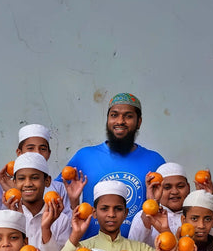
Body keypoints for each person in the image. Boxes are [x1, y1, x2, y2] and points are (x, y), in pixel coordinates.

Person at [55, 93, 165, 236]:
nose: (120, 121)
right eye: (114, 115)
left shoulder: (154, 160)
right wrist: (73, 201)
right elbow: (54, 192)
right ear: (107, 120)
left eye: (128, 116)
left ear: (139, 122)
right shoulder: (84, 156)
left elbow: (171, 205)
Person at [128, 162, 191, 248]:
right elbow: (134, 247)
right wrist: (152, 202)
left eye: (180, 186)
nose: (175, 192)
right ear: (156, 189)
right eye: (167, 187)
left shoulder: (196, 216)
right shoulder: (143, 216)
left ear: (188, 187)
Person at [0, 123, 55, 209]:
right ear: (19, 153)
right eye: (30, 148)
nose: (37, 153)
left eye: (42, 149)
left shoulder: (59, 186)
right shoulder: (4, 184)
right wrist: (14, 191)